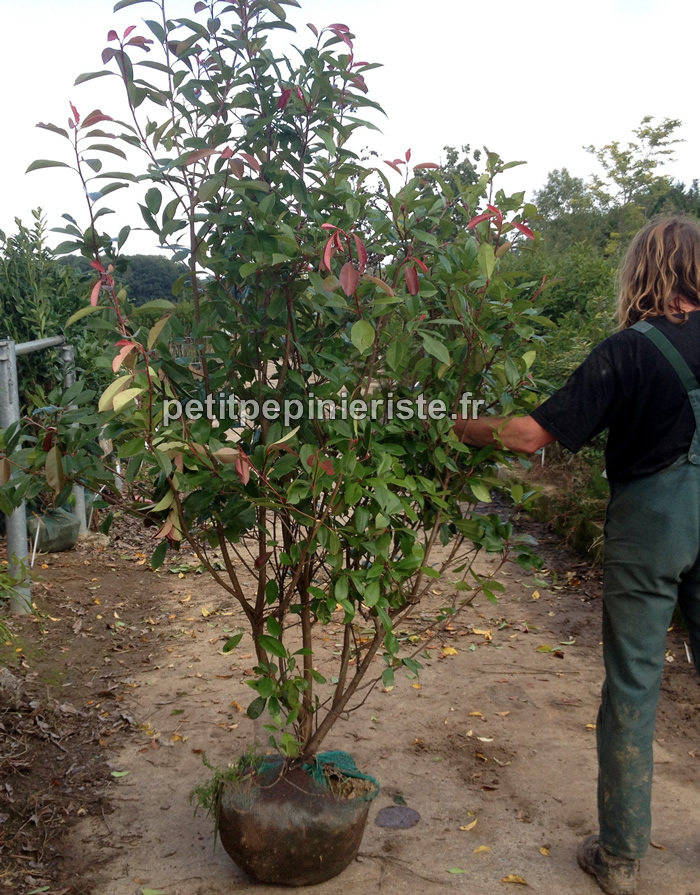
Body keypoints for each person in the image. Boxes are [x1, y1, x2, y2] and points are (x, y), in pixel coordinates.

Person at [454, 215, 700, 895]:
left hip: (652, 528)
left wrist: (455, 422)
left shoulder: (630, 350)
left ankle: (620, 858)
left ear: (642, 271)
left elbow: (532, 435)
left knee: (633, 685)